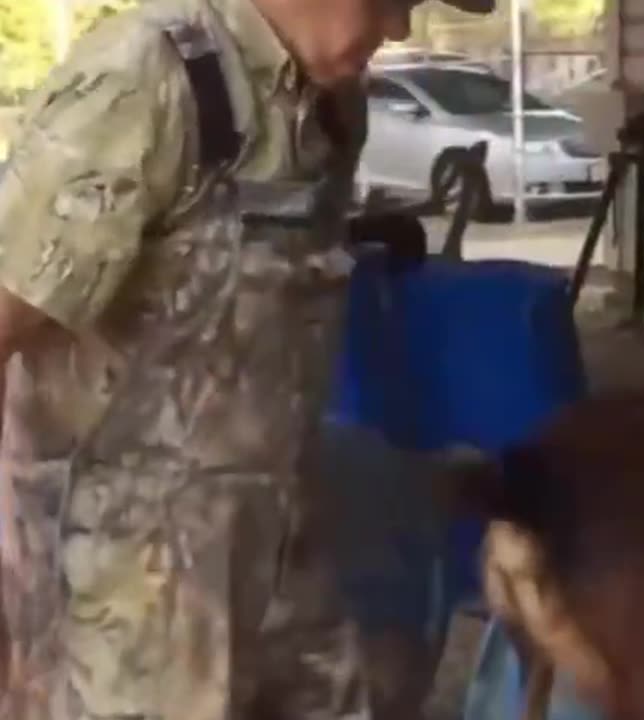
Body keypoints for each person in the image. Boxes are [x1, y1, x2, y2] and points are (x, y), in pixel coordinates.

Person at [0, 0, 493, 715]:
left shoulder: (332, 108)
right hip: (125, 612)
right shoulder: (143, 85)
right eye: (389, 1)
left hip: (283, 570)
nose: (399, 31)